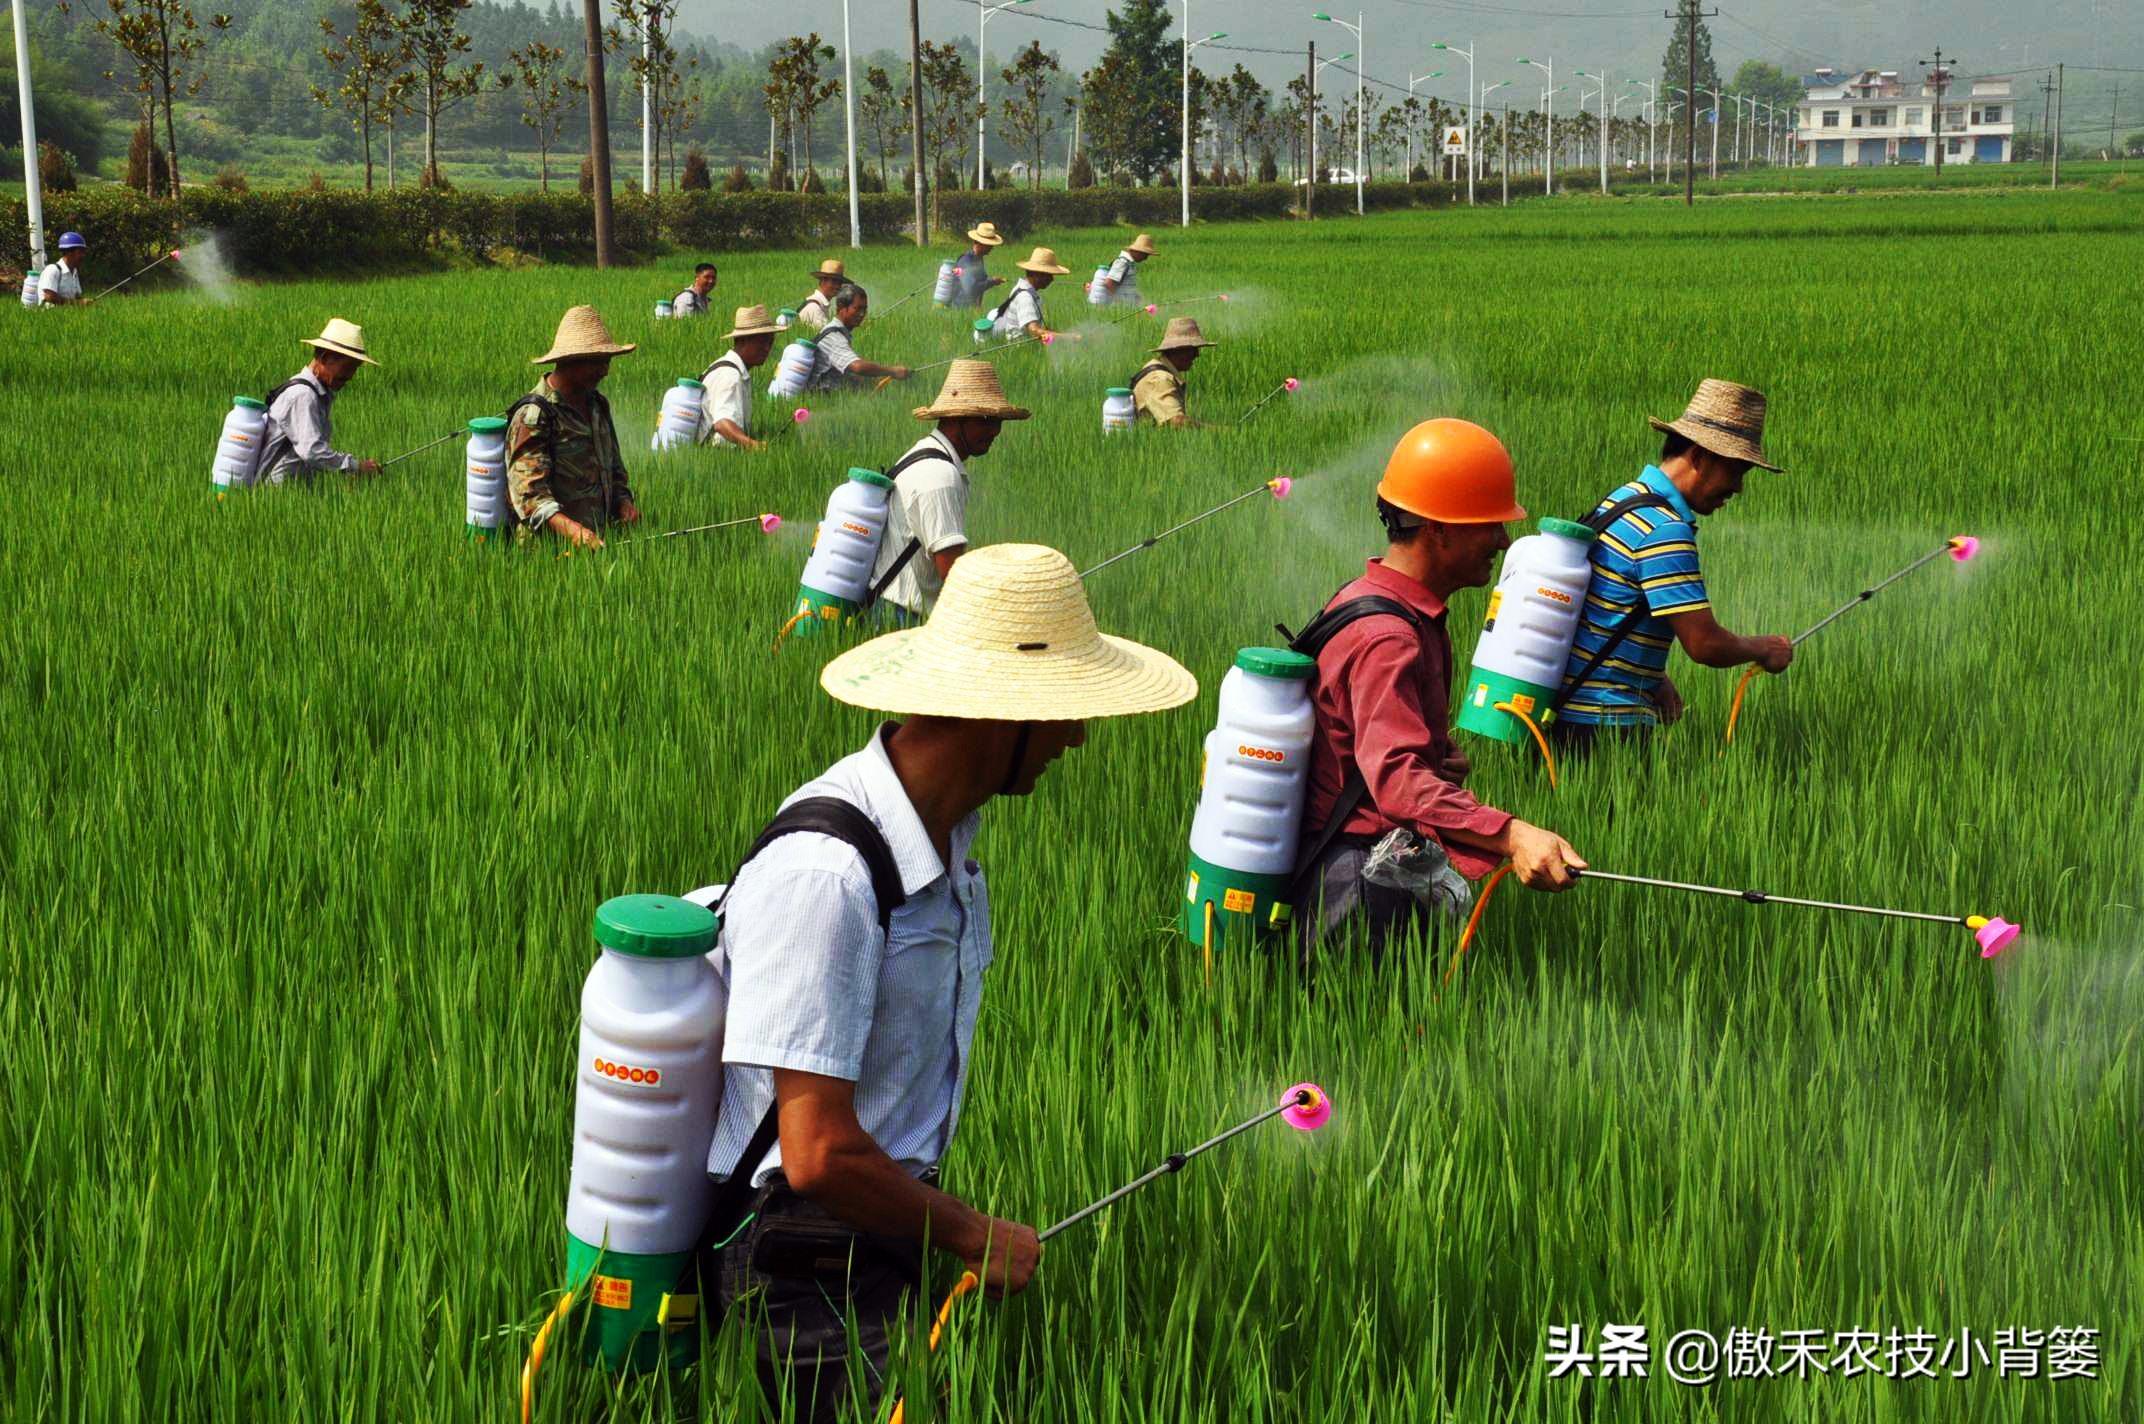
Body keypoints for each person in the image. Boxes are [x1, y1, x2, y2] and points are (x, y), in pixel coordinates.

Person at [705, 540, 1196, 1424]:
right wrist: (973, 1235)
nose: (1078, 737)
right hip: (801, 1274)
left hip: (873, 1234)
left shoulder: (943, 847)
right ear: (997, 716)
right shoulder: (829, 876)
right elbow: (814, 1151)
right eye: (1064, 712)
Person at [1294, 418, 1586, 958]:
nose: (1502, 540)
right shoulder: (1388, 636)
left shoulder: (1375, 597)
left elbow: (1360, 740)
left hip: (1359, 864)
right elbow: (1397, 784)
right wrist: (1513, 834)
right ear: (1439, 529)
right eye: (1490, 524)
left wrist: (1428, 750)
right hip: (1357, 887)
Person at [1552, 379, 1793, 753]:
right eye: (1737, 471)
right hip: (1606, 727)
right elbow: (1704, 644)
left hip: (1565, 715)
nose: (1739, 488)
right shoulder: (1665, 530)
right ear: (1699, 456)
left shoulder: (1624, 500)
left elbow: (1608, 610)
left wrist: (1654, 678)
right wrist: (1763, 648)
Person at [866, 359, 1027, 625]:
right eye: (986, 419)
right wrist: (1000, 611)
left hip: (891, 604)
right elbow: (951, 570)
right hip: (902, 616)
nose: (995, 431)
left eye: (999, 420)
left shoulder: (925, 452)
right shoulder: (939, 475)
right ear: (955, 418)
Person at [506, 305, 640, 549]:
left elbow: (614, 468)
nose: (605, 371)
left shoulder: (597, 404)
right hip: (547, 552)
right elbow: (530, 497)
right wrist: (577, 534)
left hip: (597, 542)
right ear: (569, 361)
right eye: (597, 362)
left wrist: (623, 502)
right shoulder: (535, 416)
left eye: (607, 361)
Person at [257, 318, 382, 486]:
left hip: (292, 492)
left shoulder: (315, 394)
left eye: (355, 369)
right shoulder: (303, 395)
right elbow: (312, 451)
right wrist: (355, 467)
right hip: (273, 494)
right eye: (348, 367)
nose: (351, 376)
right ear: (326, 357)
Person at [698, 303, 779, 450]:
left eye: (770, 342)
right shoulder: (730, 375)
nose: (767, 348)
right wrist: (755, 446)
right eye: (762, 342)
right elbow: (722, 423)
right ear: (742, 341)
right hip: (717, 456)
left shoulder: (730, 367)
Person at [808, 283, 913, 392]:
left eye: (864, 309)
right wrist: (892, 371)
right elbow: (857, 366)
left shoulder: (838, 332)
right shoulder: (833, 336)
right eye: (857, 308)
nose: (862, 314)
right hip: (823, 396)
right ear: (841, 307)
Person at [1130, 316, 1213, 429]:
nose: (1197, 355)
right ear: (1177, 350)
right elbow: (1176, 421)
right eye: (1193, 349)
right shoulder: (1160, 379)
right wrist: (1223, 431)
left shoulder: (1158, 368)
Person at [988, 247, 1075, 343]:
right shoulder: (1025, 297)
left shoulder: (1023, 288)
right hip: (1022, 347)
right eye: (1049, 275)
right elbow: (1034, 330)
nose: (1052, 279)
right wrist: (1069, 338)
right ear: (1037, 274)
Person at [948, 221, 1006, 308]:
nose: (992, 248)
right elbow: (971, 288)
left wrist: (978, 307)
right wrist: (992, 282)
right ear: (981, 243)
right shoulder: (966, 261)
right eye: (989, 245)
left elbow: (979, 284)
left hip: (970, 310)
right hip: (959, 310)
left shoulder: (979, 259)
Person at [1097, 231, 1156, 305]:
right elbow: (1109, 283)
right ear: (1137, 251)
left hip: (1127, 306)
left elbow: (1127, 287)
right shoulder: (1122, 262)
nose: (1145, 258)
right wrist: (1120, 302)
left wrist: (1139, 300)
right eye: (1145, 255)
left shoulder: (1129, 263)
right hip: (1118, 308)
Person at [35, 231, 88, 307]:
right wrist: (77, 303)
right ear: (69, 253)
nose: (83, 256)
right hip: (50, 316)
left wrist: (85, 303)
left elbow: (77, 297)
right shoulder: (52, 270)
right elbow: (49, 297)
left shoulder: (74, 272)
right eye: (80, 252)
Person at [796, 259, 845, 330]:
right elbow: (828, 334)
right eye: (834, 281)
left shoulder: (821, 304)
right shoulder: (814, 307)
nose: (837, 286)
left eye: (839, 283)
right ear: (823, 281)